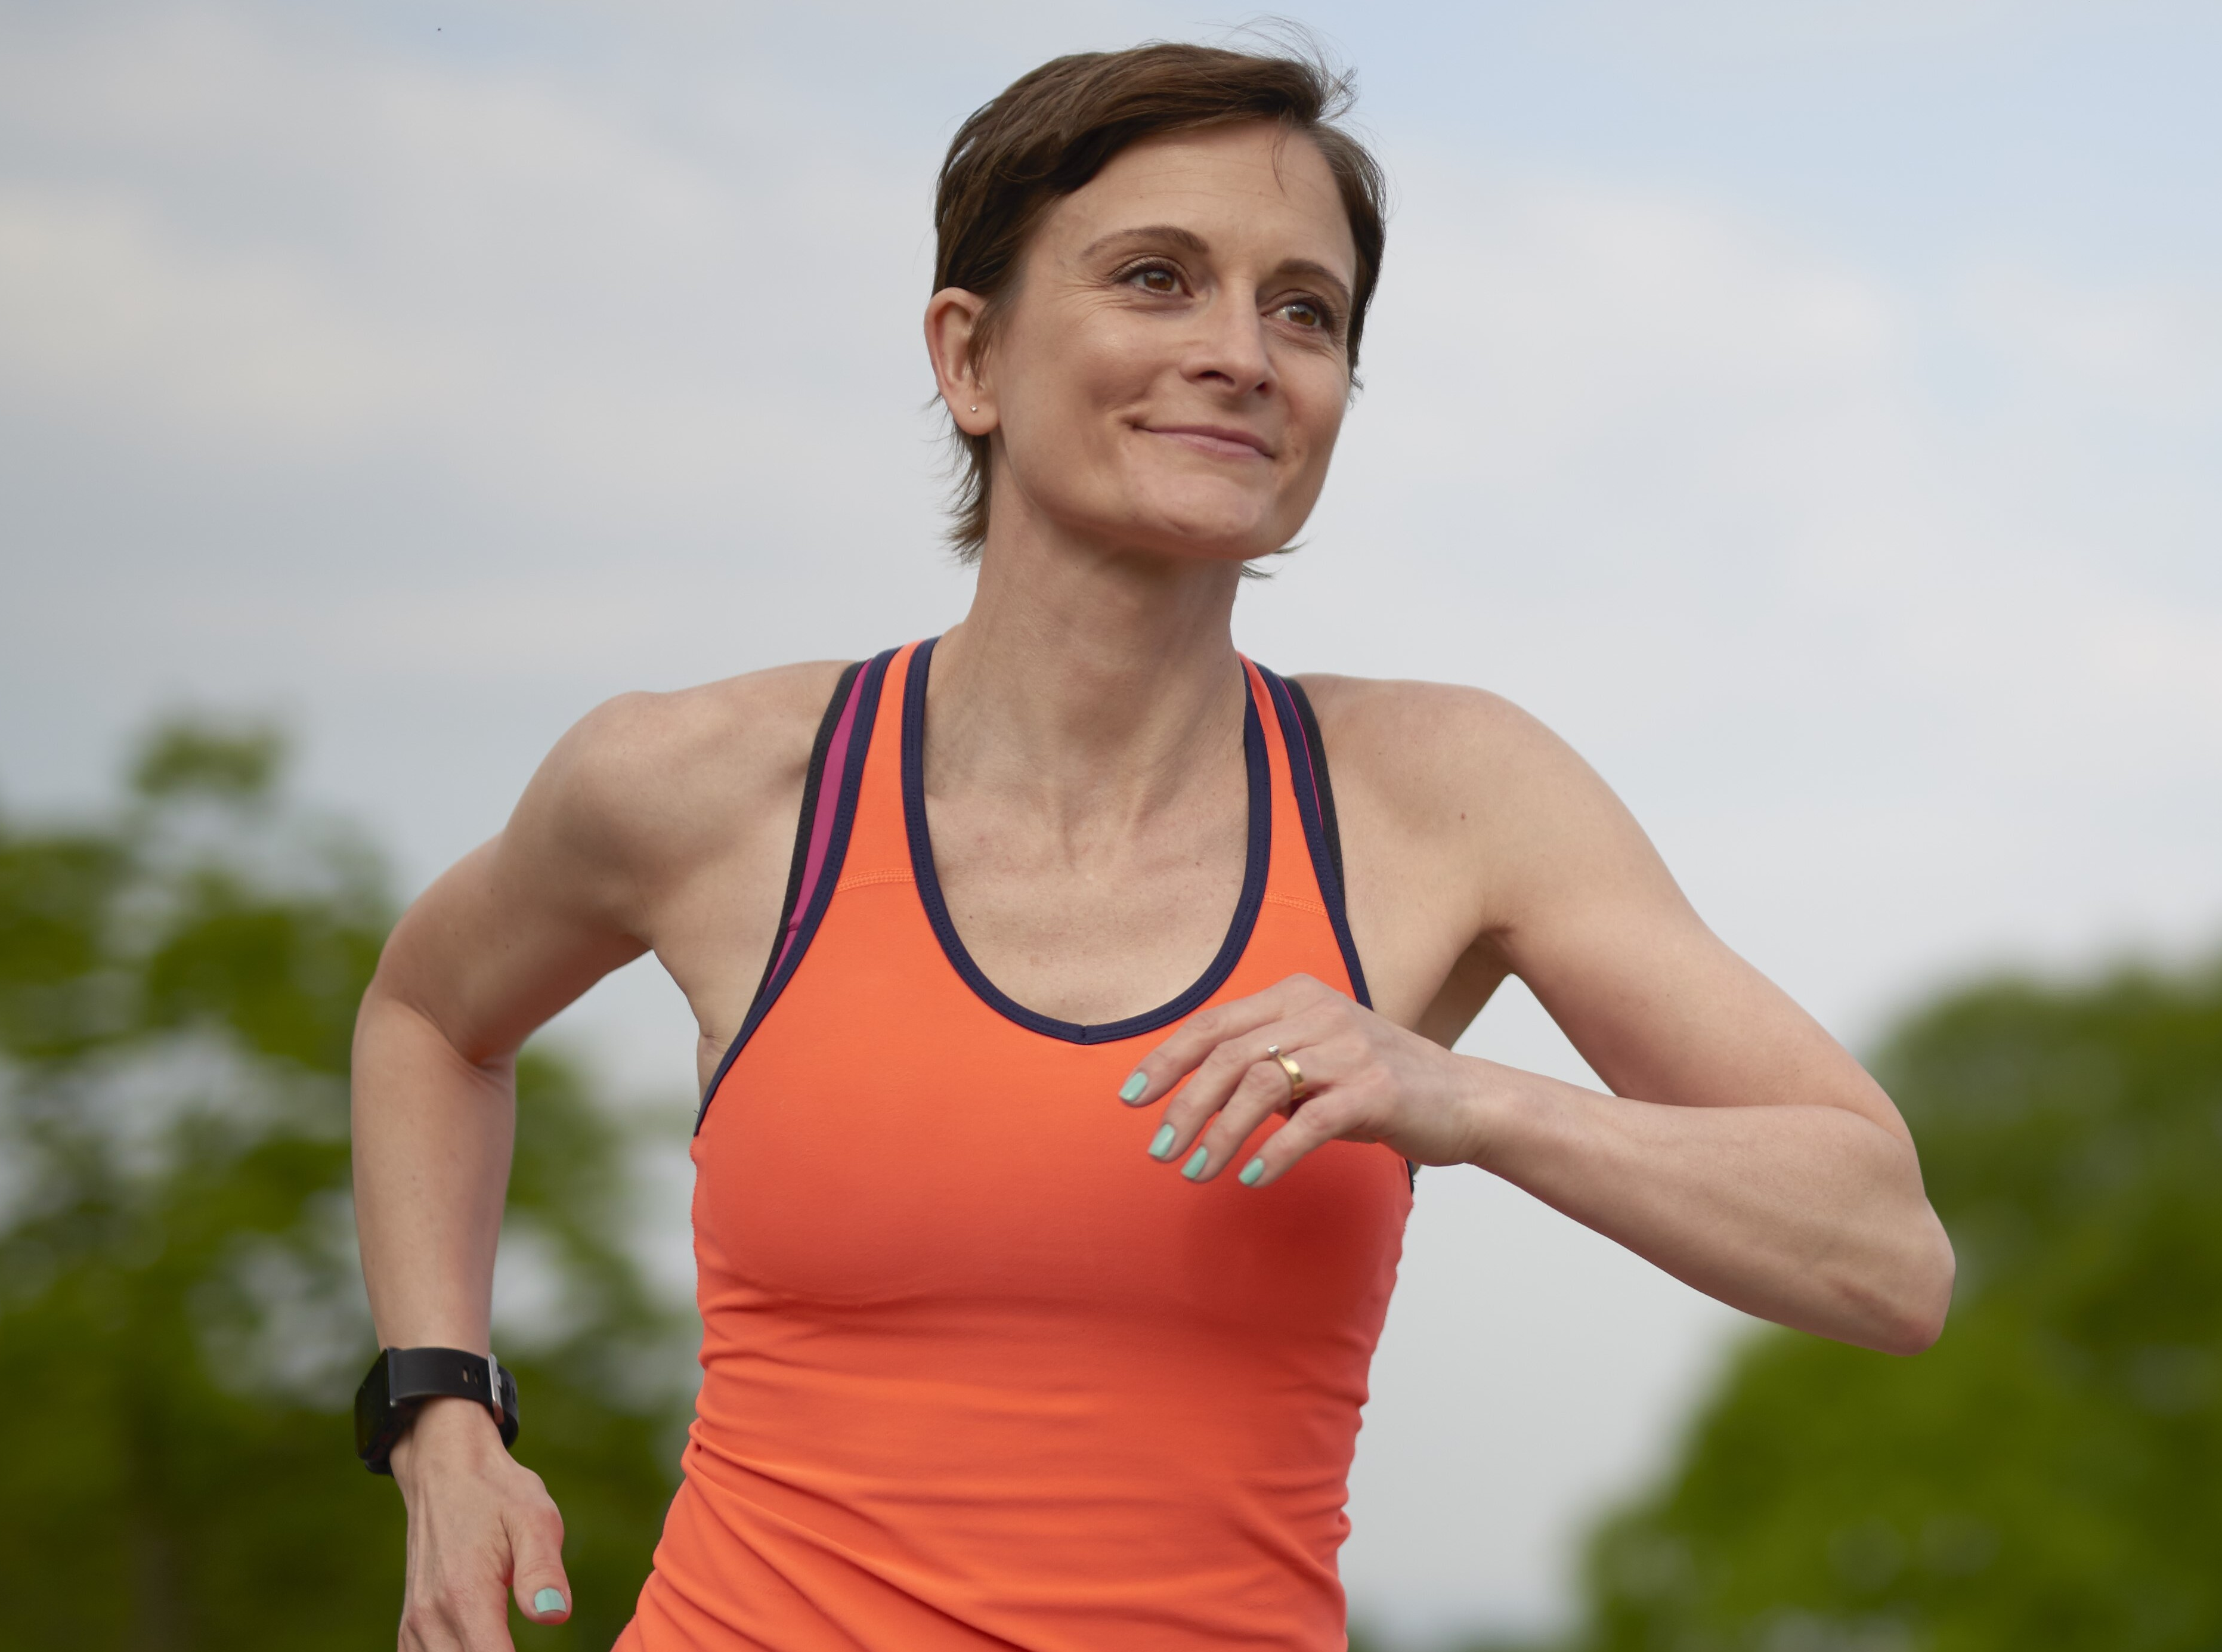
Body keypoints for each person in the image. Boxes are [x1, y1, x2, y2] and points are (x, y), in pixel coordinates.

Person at [349, 38, 1954, 1652]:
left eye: (1303, 311)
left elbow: (1883, 1253)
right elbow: (428, 1017)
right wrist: (440, 1411)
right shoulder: (702, 784)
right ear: (968, 358)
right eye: (1155, 279)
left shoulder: (1445, 797)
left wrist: (1458, 1098)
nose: (1242, 354)